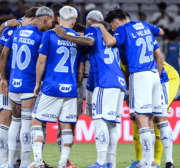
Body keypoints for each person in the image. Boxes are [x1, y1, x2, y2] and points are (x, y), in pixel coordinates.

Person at [93, 7, 165, 168]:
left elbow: (110, 41)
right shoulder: (144, 24)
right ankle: (150, 160)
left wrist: (101, 27)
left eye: (111, 26)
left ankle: (147, 161)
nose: (112, 29)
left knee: (140, 118)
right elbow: (160, 32)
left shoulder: (123, 29)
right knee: (150, 118)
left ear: (115, 22)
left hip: (140, 75)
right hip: (154, 74)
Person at [54, 10, 126, 168]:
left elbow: (89, 41)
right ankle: (110, 163)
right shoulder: (111, 38)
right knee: (112, 124)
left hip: (105, 82)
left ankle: (100, 162)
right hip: (119, 83)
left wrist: (66, 36)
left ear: (88, 23)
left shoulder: (93, 29)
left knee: (99, 121)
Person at [29, 6, 85, 168]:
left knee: (36, 122)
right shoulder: (78, 39)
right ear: (74, 22)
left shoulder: (50, 35)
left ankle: (38, 160)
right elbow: (81, 69)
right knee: (66, 125)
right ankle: (62, 163)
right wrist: (76, 85)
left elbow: (41, 61)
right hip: (71, 88)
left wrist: (37, 83)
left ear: (58, 19)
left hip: (51, 86)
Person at [0, 7, 44, 168]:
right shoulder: (16, 27)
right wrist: (0, 78)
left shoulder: (17, 27)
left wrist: (5, 23)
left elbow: (1, 29)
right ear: (35, 19)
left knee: (15, 121)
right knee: (6, 119)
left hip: (13, 80)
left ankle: (10, 160)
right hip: (5, 81)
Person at [0, 6, 54, 168]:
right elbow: (41, 61)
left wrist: (3, 78)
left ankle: (11, 162)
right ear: (45, 19)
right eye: (51, 21)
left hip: (14, 84)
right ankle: (24, 162)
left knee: (15, 122)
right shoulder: (42, 36)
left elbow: (3, 53)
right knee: (26, 123)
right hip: (29, 85)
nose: (51, 24)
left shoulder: (17, 31)